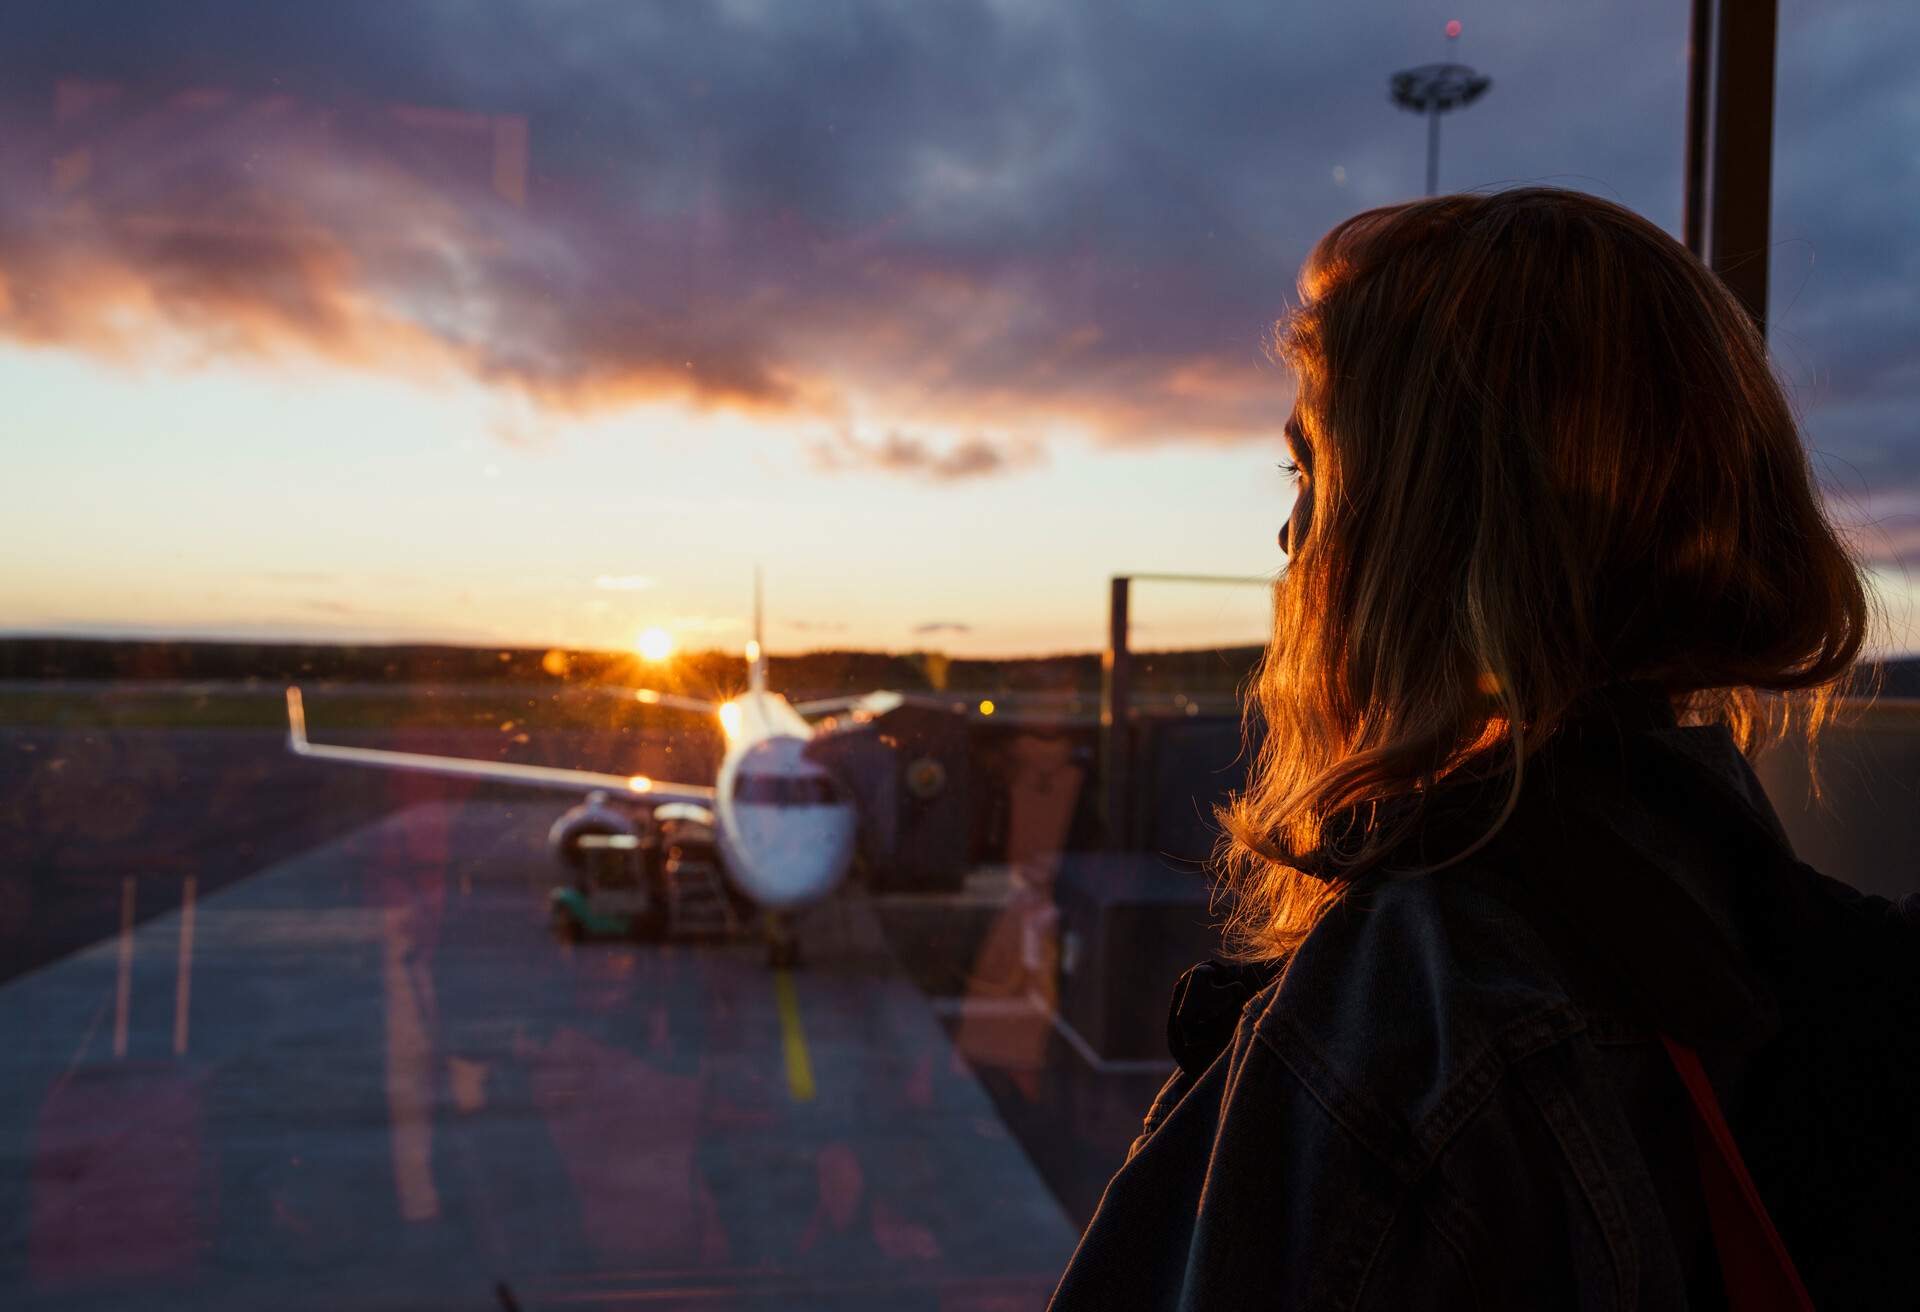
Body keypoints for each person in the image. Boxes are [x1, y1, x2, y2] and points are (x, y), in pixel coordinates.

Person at [1048, 187, 1919, 1310]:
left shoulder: (1416, 1020)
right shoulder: (1780, 941)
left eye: (1311, 472)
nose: (1287, 536)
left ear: (1427, 535)